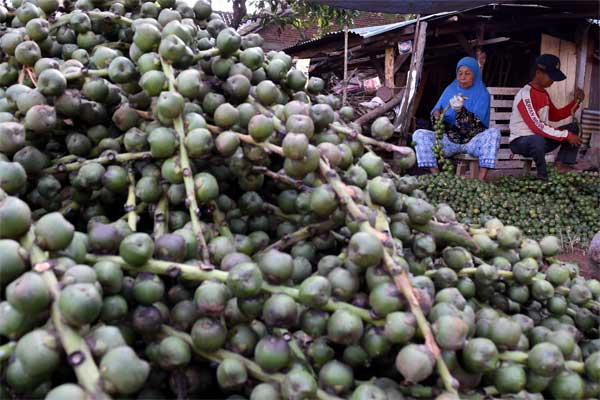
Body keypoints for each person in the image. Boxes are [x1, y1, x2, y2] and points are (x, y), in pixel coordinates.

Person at [413, 57, 501, 181]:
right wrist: (437, 114)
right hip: (450, 141)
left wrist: (461, 111)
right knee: (419, 134)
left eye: (467, 73)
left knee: (494, 133)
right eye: (460, 73)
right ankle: (438, 178)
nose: (462, 77)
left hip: (472, 142)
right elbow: (436, 113)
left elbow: (479, 125)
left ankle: (481, 180)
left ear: (475, 75)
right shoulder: (450, 90)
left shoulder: (483, 94)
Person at [508, 54, 585, 179]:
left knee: (573, 127)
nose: (553, 81)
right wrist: (566, 135)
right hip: (520, 142)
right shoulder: (525, 95)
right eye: (551, 77)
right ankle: (542, 177)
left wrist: (576, 103)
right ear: (538, 73)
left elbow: (556, 115)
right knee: (537, 139)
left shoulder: (544, 93)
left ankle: (561, 164)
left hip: (539, 139)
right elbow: (537, 127)